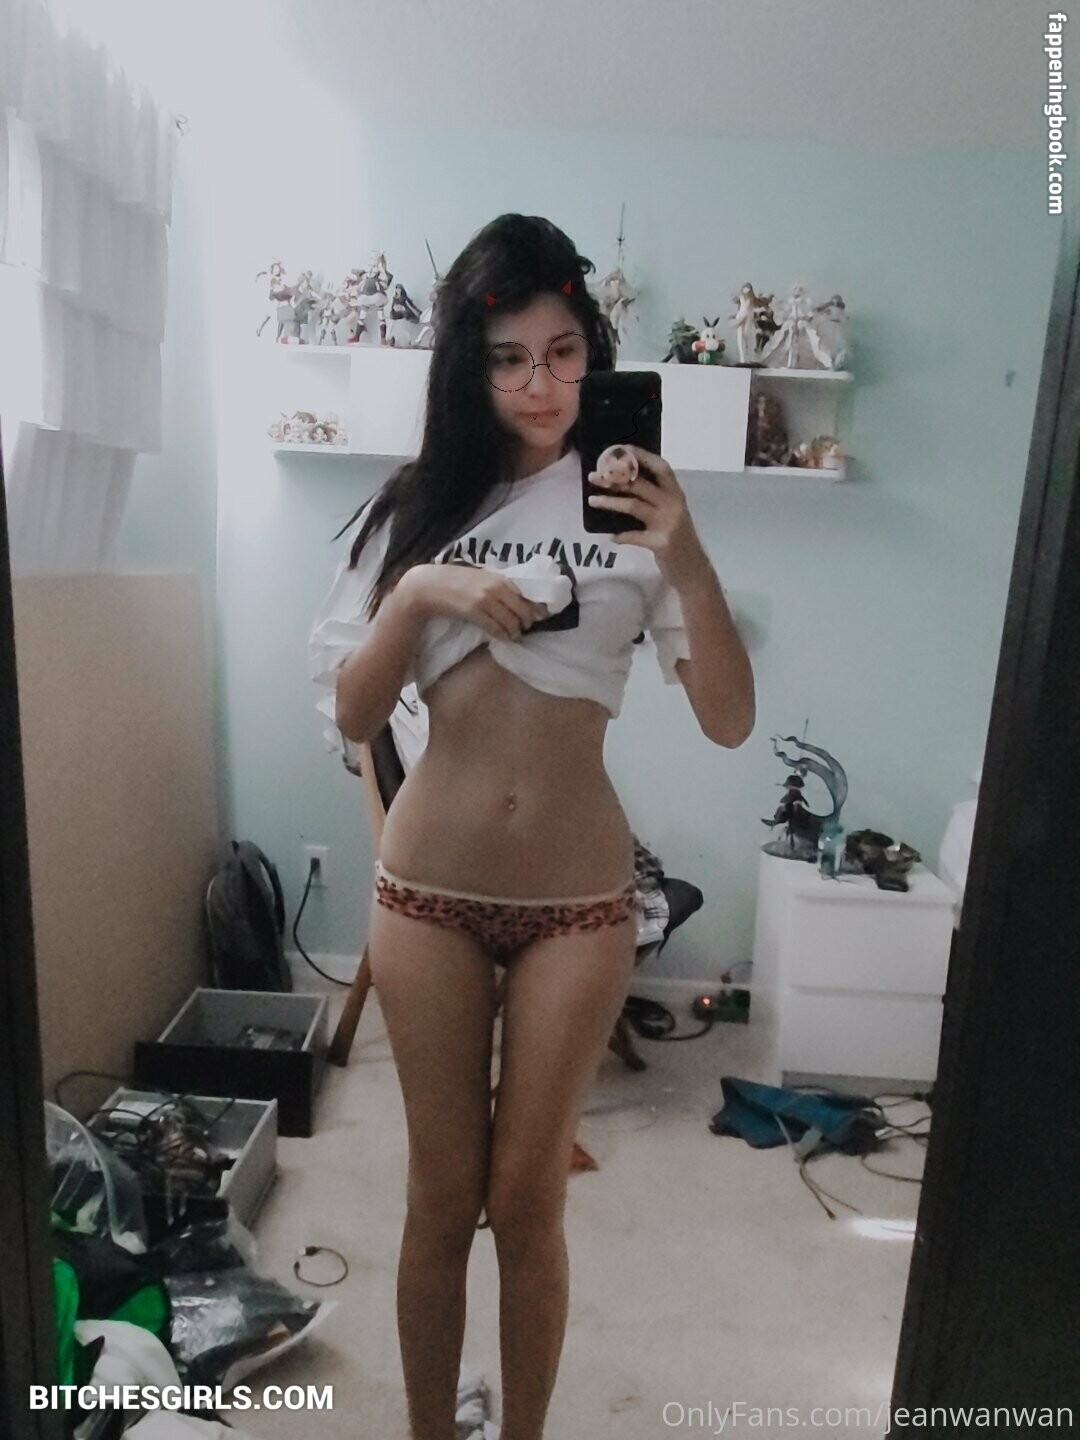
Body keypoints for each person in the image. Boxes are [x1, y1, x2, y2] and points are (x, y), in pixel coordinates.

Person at [309, 214, 755, 1440]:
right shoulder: (415, 509)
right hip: (427, 893)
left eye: (563, 353)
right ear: (471, 368)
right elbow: (354, 711)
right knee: (440, 1196)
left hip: (577, 901)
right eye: (508, 359)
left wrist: (688, 555)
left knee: (528, 1202)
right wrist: (418, 593)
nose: (541, 385)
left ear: (593, 354)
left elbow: (728, 721)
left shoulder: (635, 508)